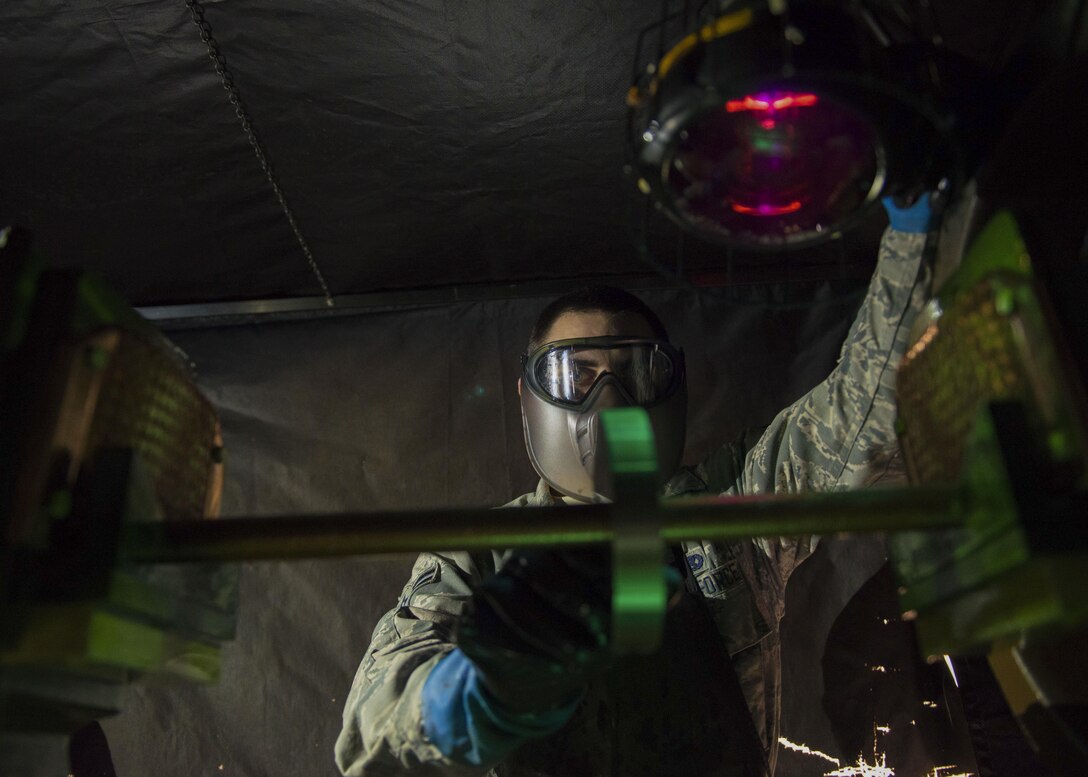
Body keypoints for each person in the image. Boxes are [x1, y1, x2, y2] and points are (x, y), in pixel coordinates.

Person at [335, 196, 939, 777]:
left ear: (669, 382)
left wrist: (916, 230)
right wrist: (479, 686)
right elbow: (373, 737)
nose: (608, 400)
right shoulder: (480, 554)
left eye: (632, 372)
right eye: (577, 375)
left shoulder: (726, 516)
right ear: (528, 396)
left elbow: (864, 415)